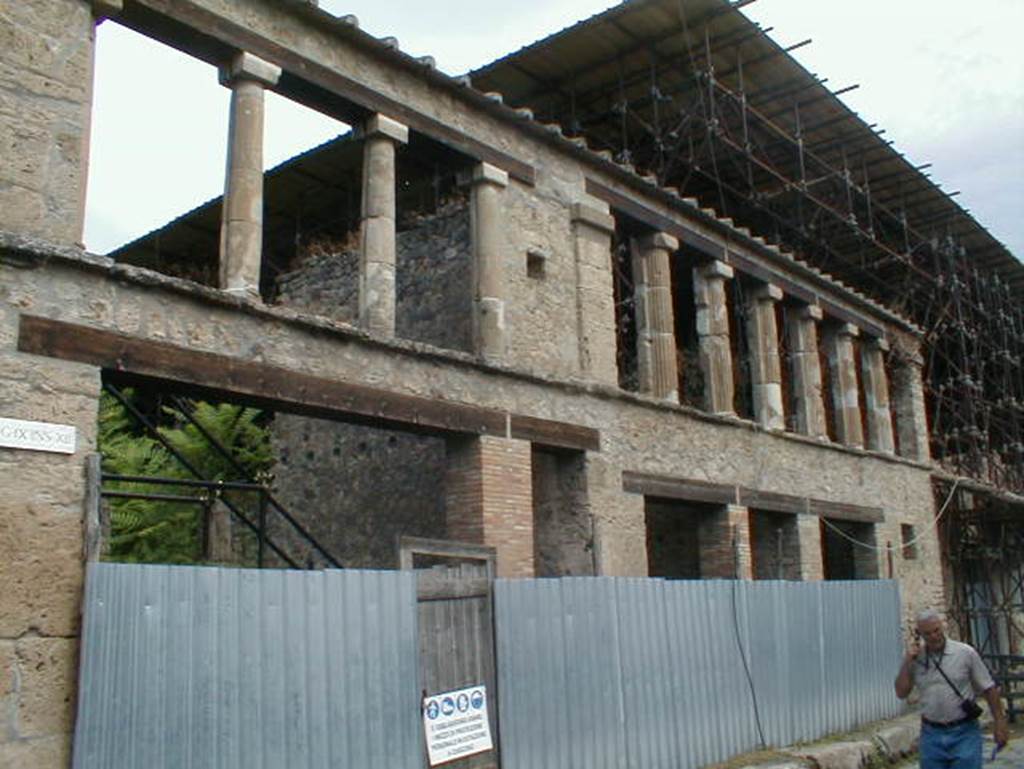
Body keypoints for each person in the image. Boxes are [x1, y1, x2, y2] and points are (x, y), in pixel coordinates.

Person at [894, 609, 1009, 768]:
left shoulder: (964, 653)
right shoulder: (915, 659)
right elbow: (901, 692)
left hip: (964, 731)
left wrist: (1000, 723)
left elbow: (989, 689)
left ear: (942, 627)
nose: (934, 636)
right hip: (931, 734)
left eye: (937, 631)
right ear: (920, 635)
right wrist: (907, 661)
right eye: (928, 634)